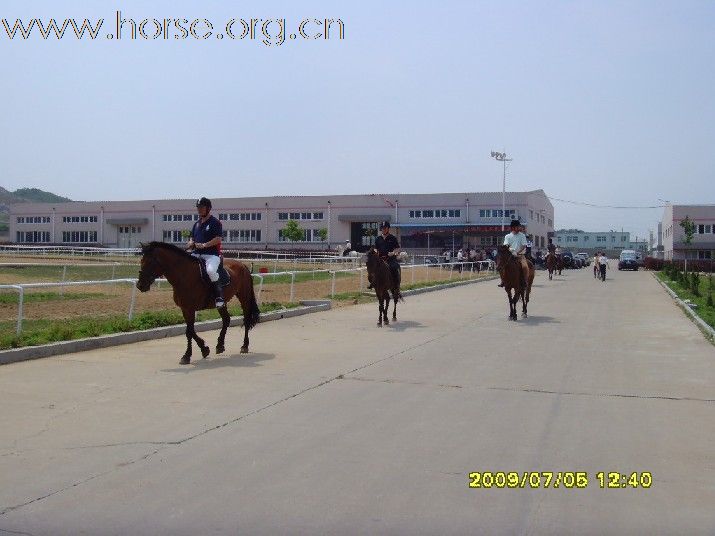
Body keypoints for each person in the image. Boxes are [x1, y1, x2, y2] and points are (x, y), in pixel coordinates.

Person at [187, 197, 225, 307]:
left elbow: (218, 239)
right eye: (198, 207)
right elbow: (192, 238)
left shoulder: (215, 222)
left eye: (202, 207)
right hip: (196, 253)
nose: (199, 209)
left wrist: (204, 245)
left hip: (211, 255)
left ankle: (219, 296)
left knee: (211, 271)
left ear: (208, 208)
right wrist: (190, 242)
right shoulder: (196, 224)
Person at [368, 221, 401, 289]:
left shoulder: (393, 238)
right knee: (372, 269)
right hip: (380, 259)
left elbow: (397, 249)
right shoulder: (378, 239)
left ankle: (396, 286)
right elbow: (376, 248)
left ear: (388, 228)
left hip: (390, 259)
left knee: (395, 267)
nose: (384, 229)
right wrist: (375, 252)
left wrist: (393, 253)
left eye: (385, 228)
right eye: (382, 228)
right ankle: (373, 283)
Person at [498, 219, 529, 288]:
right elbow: (506, 245)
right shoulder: (507, 236)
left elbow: (524, 246)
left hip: (520, 255)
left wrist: (517, 252)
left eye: (519, 226)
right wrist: (511, 251)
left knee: (525, 266)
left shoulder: (522, 235)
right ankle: (503, 281)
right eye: (518, 226)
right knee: (501, 266)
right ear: (513, 227)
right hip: (510, 256)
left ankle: (525, 280)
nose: (519, 228)